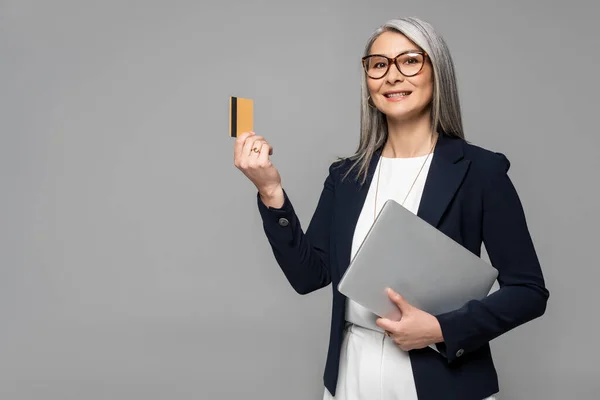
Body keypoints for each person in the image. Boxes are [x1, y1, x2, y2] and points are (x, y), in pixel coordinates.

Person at [233, 16, 549, 400]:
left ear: (437, 73)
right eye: (379, 64)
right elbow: (309, 276)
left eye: (410, 60)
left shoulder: (481, 170)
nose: (392, 76)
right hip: (352, 373)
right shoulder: (346, 175)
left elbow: (528, 290)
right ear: (368, 81)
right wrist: (270, 191)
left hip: (443, 378)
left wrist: (442, 330)